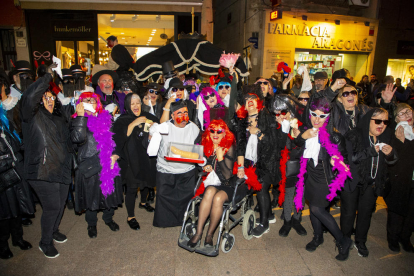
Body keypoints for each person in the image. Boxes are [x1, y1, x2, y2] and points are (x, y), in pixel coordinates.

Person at [21, 64, 72, 258]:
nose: (49, 101)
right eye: (45, 97)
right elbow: (28, 98)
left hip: (62, 168)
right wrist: (46, 78)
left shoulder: (59, 118)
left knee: (59, 206)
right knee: (51, 207)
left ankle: (53, 230)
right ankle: (45, 242)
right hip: (42, 170)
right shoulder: (31, 116)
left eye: (52, 97)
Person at [296, 95, 353, 261]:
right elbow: (295, 147)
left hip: (325, 178)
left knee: (316, 209)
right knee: (313, 206)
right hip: (309, 176)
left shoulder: (335, 137)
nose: (316, 119)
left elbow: (344, 162)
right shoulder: (306, 131)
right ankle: (318, 237)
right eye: (314, 114)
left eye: (322, 116)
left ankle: (343, 239)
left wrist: (337, 161)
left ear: (328, 117)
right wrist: (301, 137)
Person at [344, 108, 397, 257]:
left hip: (372, 183)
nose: (382, 125)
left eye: (385, 121)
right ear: (369, 120)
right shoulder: (354, 135)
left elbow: (394, 160)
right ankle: (345, 241)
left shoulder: (387, 136)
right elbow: (348, 158)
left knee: (365, 214)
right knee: (348, 214)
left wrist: (391, 154)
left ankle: (360, 241)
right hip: (352, 182)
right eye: (378, 121)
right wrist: (370, 152)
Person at [187, 120, 248, 248]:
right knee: (209, 192)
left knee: (218, 198)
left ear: (224, 133)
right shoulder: (207, 145)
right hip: (214, 183)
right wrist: (207, 166)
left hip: (230, 185)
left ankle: (209, 235)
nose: (215, 134)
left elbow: (226, 177)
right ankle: (198, 233)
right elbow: (204, 164)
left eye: (219, 131)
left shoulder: (229, 147)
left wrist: (220, 158)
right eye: (212, 131)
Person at [71, 92, 123, 238]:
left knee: (109, 195)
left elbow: (116, 140)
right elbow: (77, 139)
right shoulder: (76, 121)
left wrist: (116, 155)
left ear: (97, 103)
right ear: (80, 104)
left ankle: (108, 218)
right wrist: (80, 117)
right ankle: (91, 224)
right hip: (90, 165)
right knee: (91, 197)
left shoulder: (108, 119)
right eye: (85, 100)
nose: (89, 102)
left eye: (92, 100)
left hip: (108, 164)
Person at [149, 100, 201, 227]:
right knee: (164, 196)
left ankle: (185, 220)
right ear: (172, 116)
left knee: (186, 197)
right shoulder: (163, 128)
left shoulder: (194, 128)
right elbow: (151, 149)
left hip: (187, 171)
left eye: (186, 113)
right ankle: (166, 221)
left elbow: (198, 147)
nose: (183, 117)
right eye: (179, 113)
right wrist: (152, 136)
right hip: (166, 170)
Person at [0, 75, 35, 260]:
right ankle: (3, 243)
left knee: (17, 200)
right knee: (3, 207)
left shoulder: (11, 106)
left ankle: (18, 238)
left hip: (16, 160)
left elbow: (22, 129)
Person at [113, 93, 159, 230]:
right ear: (127, 105)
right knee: (132, 188)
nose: (135, 106)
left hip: (146, 157)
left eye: (137, 103)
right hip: (131, 159)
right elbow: (120, 138)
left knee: (146, 183)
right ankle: (130, 216)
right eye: (132, 103)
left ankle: (144, 202)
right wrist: (134, 123)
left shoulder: (148, 116)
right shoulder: (122, 119)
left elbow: (160, 127)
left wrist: (154, 128)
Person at [236, 91, 279, 237]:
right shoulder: (242, 122)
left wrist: (258, 133)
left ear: (258, 102)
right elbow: (241, 146)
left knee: (261, 189)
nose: (250, 101)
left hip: (267, 161)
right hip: (250, 162)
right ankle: (270, 215)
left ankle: (264, 223)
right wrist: (241, 167)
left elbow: (273, 143)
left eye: (253, 98)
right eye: (247, 99)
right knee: (258, 189)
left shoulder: (267, 117)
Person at [272, 94, 307, 237]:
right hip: (286, 164)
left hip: (303, 163)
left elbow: (305, 144)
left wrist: (299, 135)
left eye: (285, 112)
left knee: (301, 193)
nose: (283, 115)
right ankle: (287, 221)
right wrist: (281, 128)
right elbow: (278, 145)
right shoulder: (277, 124)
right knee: (288, 193)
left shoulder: (304, 121)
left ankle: (297, 220)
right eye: (280, 113)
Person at [385, 103, 414, 253]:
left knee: (411, 212)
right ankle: (393, 238)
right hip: (400, 179)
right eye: (402, 114)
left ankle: (405, 237)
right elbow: (394, 160)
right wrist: (400, 142)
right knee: (396, 211)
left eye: (408, 112)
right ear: (396, 119)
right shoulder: (394, 133)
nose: (407, 115)